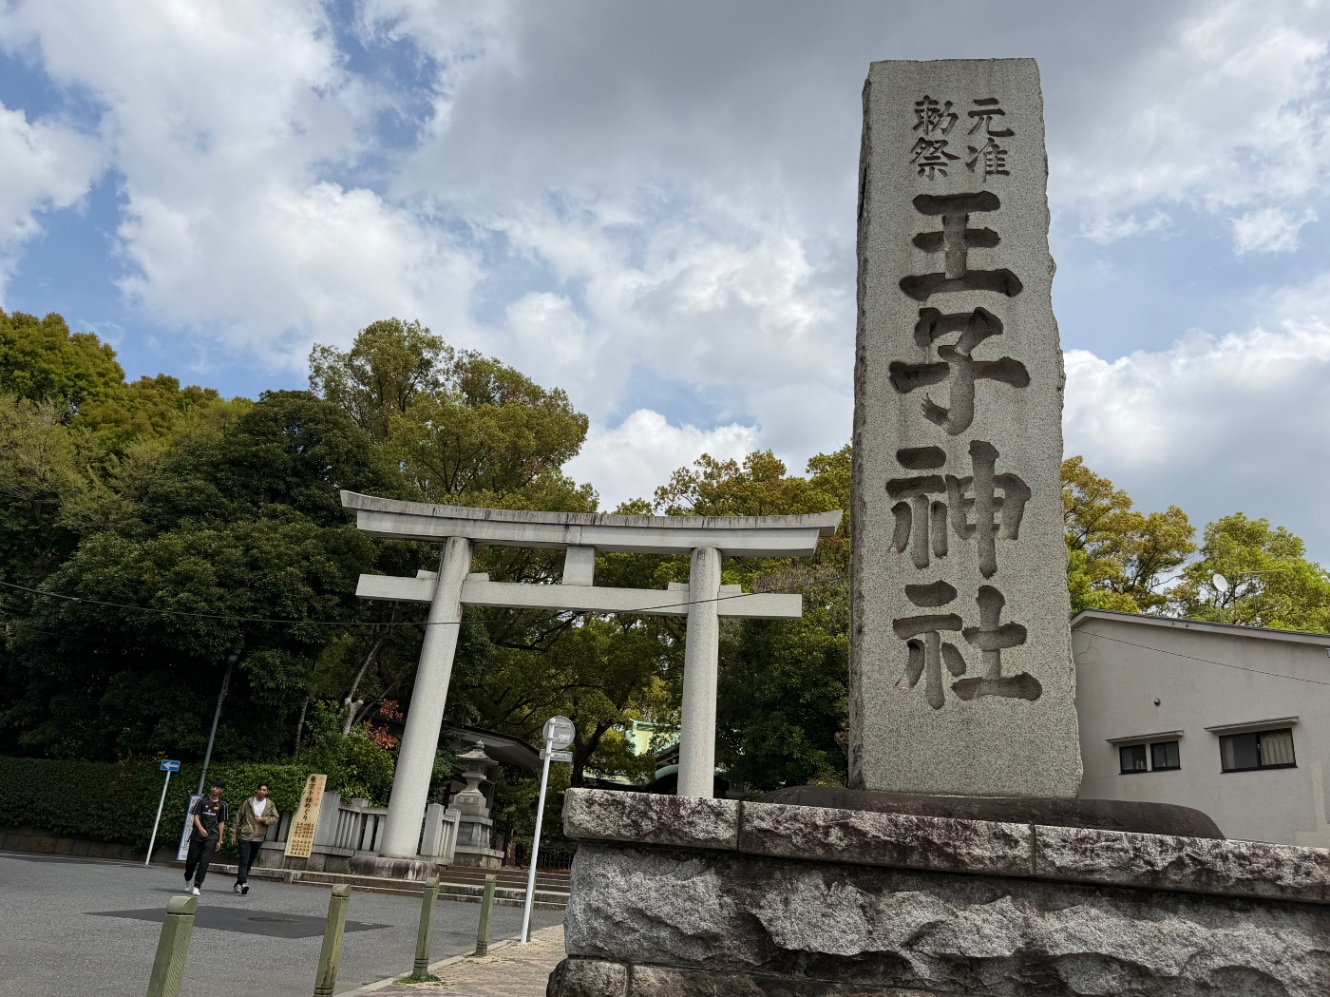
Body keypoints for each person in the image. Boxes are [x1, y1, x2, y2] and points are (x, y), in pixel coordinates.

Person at [230, 781, 280, 895]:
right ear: (256, 790)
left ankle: (239, 884)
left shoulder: (270, 804)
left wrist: (263, 819)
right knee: (244, 861)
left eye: (264, 790)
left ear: (267, 792)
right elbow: (238, 817)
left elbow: (275, 818)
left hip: (258, 837)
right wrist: (233, 834)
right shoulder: (248, 802)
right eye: (260, 789)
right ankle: (244, 883)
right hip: (245, 836)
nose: (262, 791)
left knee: (249, 862)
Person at [183, 779, 228, 896]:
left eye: (217, 788)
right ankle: (188, 878)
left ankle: (197, 886)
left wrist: (220, 840)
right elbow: (196, 816)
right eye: (213, 787)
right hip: (197, 835)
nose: (214, 789)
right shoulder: (202, 800)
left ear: (221, 790)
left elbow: (221, 823)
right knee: (191, 861)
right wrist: (200, 828)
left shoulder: (222, 805)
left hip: (212, 836)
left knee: (204, 862)